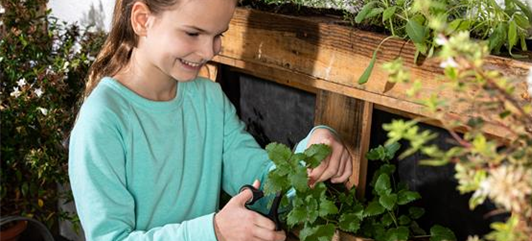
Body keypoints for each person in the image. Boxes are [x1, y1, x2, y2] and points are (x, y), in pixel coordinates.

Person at [68, 0, 353, 240]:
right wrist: (214, 231)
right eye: (193, 33)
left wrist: (313, 150)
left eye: (219, 34)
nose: (209, 51)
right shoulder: (103, 118)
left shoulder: (208, 99)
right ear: (143, 20)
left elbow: (261, 184)